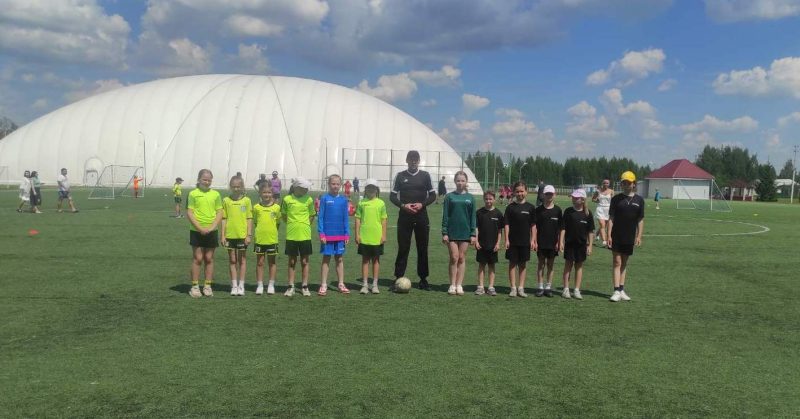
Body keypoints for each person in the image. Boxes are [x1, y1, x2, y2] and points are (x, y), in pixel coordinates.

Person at [390, 150, 436, 290]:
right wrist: (403, 206)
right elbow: (392, 197)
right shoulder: (400, 176)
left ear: (419, 161)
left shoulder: (425, 176)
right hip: (405, 217)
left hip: (421, 217)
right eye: (411, 159)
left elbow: (433, 196)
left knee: (422, 248)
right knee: (403, 248)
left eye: (416, 159)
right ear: (407, 160)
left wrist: (422, 204)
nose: (413, 161)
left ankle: (423, 279)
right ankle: (398, 278)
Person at [608, 171, 645, 302]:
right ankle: (616, 290)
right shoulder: (616, 199)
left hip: (629, 236)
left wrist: (639, 236)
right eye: (623, 182)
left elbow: (640, 220)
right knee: (617, 262)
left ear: (634, 184)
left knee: (624, 262)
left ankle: (621, 289)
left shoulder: (639, 200)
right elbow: (611, 218)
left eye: (628, 182)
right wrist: (608, 235)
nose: (626, 184)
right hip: (616, 235)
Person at [187, 169, 223, 298]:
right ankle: (195, 286)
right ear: (199, 179)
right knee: (198, 258)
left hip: (212, 231)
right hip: (196, 230)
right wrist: (199, 228)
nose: (207, 182)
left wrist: (212, 227)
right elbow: (190, 212)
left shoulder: (216, 194)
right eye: (204, 179)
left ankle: (207, 286)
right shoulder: (193, 194)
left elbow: (219, 212)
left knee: (209, 258)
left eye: (209, 180)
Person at [442, 171, 477, 296]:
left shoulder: (471, 198)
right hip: (451, 232)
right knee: (454, 257)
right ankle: (452, 285)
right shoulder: (449, 197)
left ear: (466, 182)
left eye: (462, 180)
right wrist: (444, 232)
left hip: (465, 233)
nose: (460, 183)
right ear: (455, 181)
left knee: (461, 258)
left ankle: (459, 285)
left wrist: (473, 234)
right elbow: (445, 215)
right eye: (458, 180)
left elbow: (473, 217)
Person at [281, 177, 316, 297]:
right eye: (304, 188)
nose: (306, 190)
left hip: (305, 235)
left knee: (305, 261)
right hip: (291, 235)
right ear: (296, 187)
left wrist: (305, 225)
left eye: (307, 188)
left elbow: (312, 215)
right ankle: (291, 286)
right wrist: (293, 225)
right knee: (292, 261)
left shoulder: (309, 199)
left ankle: (304, 286)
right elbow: (284, 215)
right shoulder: (287, 199)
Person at [317, 174, 351, 295]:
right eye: (333, 184)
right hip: (327, 236)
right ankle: (323, 285)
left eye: (337, 184)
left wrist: (347, 234)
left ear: (341, 185)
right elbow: (320, 217)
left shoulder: (343, 200)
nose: (335, 186)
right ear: (329, 184)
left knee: (339, 259)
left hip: (340, 235)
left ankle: (341, 284)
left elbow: (346, 218)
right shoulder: (324, 199)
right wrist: (322, 233)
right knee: (326, 258)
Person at [221, 175, 253, 296]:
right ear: (230, 187)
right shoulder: (226, 201)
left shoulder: (247, 201)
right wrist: (223, 235)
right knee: (232, 260)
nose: (236, 189)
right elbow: (224, 219)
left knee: (242, 260)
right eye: (234, 186)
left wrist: (248, 235)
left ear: (242, 187)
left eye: (238, 186)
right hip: (230, 235)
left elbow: (249, 218)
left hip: (242, 236)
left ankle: (241, 285)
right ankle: (234, 285)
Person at [559, 189, 594, 300]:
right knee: (568, 266)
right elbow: (563, 228)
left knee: (579, 267)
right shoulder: (568, 211)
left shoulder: (588, 213)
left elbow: (590, 231)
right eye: (573, 197)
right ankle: (565, 289)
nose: (574, 199)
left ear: (583, 200)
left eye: (576, 197)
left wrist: (590, 245)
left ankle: (576, 290)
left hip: (581, 245)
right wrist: (561, 241)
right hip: (569, 244)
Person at [355, 179, 387, 294]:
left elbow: (384, 220)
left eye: (373, 187)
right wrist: (357, 234)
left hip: (377, 237)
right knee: (365, 260)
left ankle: (374, 284)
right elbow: (357, 219)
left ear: (377, 189)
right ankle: (364, 284)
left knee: (376, 260)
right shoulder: (361, 203)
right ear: (365, 189)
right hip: (364, 237)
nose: (371, 189)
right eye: (369, 187)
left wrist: (383, 235)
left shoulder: (381, 203)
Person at [504, 181, 535, 297]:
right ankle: (513, 288)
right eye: (517, 191)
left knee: (522, 265)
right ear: (513, 192)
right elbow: (506, 225)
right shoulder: (510, 207)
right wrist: (506, 239)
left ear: (526, 192)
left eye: (522, 191)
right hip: (512, 241)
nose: (519, 193)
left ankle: (521, 288)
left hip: (525, 241)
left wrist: (533, 240)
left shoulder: (531, 207)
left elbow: (533, 225)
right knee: (512, 264)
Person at [533, 185, 562, 297]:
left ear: (554, 195)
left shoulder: (558, 210)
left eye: (551, 194)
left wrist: (559, 242)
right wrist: (534, 241)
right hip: (541, 242)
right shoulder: (538, 210)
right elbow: (535, 227)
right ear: (543, 195)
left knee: (550, 265)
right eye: (547, 194)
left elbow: (560, 228)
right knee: (541, 264)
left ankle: (548, 287)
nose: (549, 196)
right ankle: (540, 287)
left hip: (553, 243)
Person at [253, 182, 281, 295]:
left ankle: (271, 285)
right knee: (260, 262)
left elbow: (278, 223)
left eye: (269, 192)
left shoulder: (276, 208)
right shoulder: (256, 207)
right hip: (260, 239)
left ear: (272, 193)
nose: (267, 194)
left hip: (272, 239)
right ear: (260, 193)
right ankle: (260, 285)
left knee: (272, 262)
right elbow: (255, 222)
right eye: (264, 192)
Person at [475, 190, 504, 296]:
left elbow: (500, 231)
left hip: (493, 245)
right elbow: (476, 228)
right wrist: (476, 241)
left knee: (492, 266)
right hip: (481, 244)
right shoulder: (479, 213)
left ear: (494, 199)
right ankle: (481, 287)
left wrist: (498, 243)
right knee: (481, 265)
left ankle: (491, 287)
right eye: (486, 199)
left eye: (490, 199)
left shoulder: (498, 213)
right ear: (484, 199)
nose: (488, 201)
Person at [592, 179, 613, 248]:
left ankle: (597, 233)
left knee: (604, 226)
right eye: (604, 183)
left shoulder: (611, 191)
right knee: (602, 224)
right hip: (600, 208)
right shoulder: (598, 191)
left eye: (607, 183)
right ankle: (604, 241)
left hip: (608, 209)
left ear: (609, 184)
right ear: (602, 183)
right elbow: (593, 199)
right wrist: (597, 200)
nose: (605, 184)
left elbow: (613, 201)